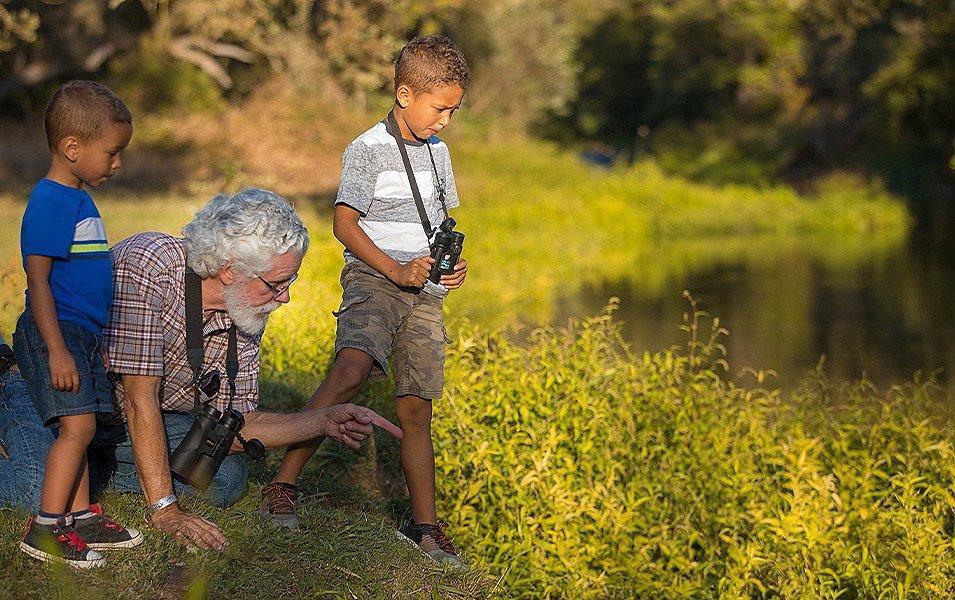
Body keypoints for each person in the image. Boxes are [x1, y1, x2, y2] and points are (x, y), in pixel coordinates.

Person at [259, 35, 470, 567]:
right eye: (440, 108)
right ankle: (283, 483)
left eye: (453, 110)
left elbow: (441, 222)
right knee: (351, 370)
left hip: (424, 292)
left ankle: (426, 527)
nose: (445, 121)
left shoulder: (439, 152)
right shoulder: (367, 148)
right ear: (405, 94)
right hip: (375, 280)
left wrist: (447, 267)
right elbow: (343, 223)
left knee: (416, 404)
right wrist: (395, 268)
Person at [102, 187, 403, 551]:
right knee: (34, 473)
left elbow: (239, 423)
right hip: (85, 407)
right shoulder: (151, 267)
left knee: (228, 478)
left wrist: (324, 420)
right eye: (277, 284)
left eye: (289, 283)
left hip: (148, 417)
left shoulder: (243, 310)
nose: (286, 297)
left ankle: (110, 469)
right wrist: (166, 509)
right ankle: (73, 464)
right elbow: (139, 400)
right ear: (229, 270)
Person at [12, 80, 140, 568]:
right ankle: (46, 526)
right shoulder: (50, 202)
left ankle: (80, 514)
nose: (116, 164)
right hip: (57, 332)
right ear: (71, 148)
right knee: (77, 427)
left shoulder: (76, 197)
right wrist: (59, 349)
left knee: (81, 424)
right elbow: (38, 281)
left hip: (79, 334)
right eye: (111, 153)